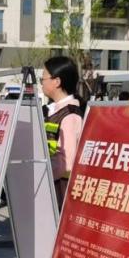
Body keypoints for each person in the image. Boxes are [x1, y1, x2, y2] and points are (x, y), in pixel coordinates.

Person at [40, 56, 85, 208]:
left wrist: (41, 175)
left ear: (57, 82)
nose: (41, 83)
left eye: (43, 78)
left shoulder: (70, 115)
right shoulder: (54, 110)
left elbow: (66, 163)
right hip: (50, 184)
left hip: (59, 190)